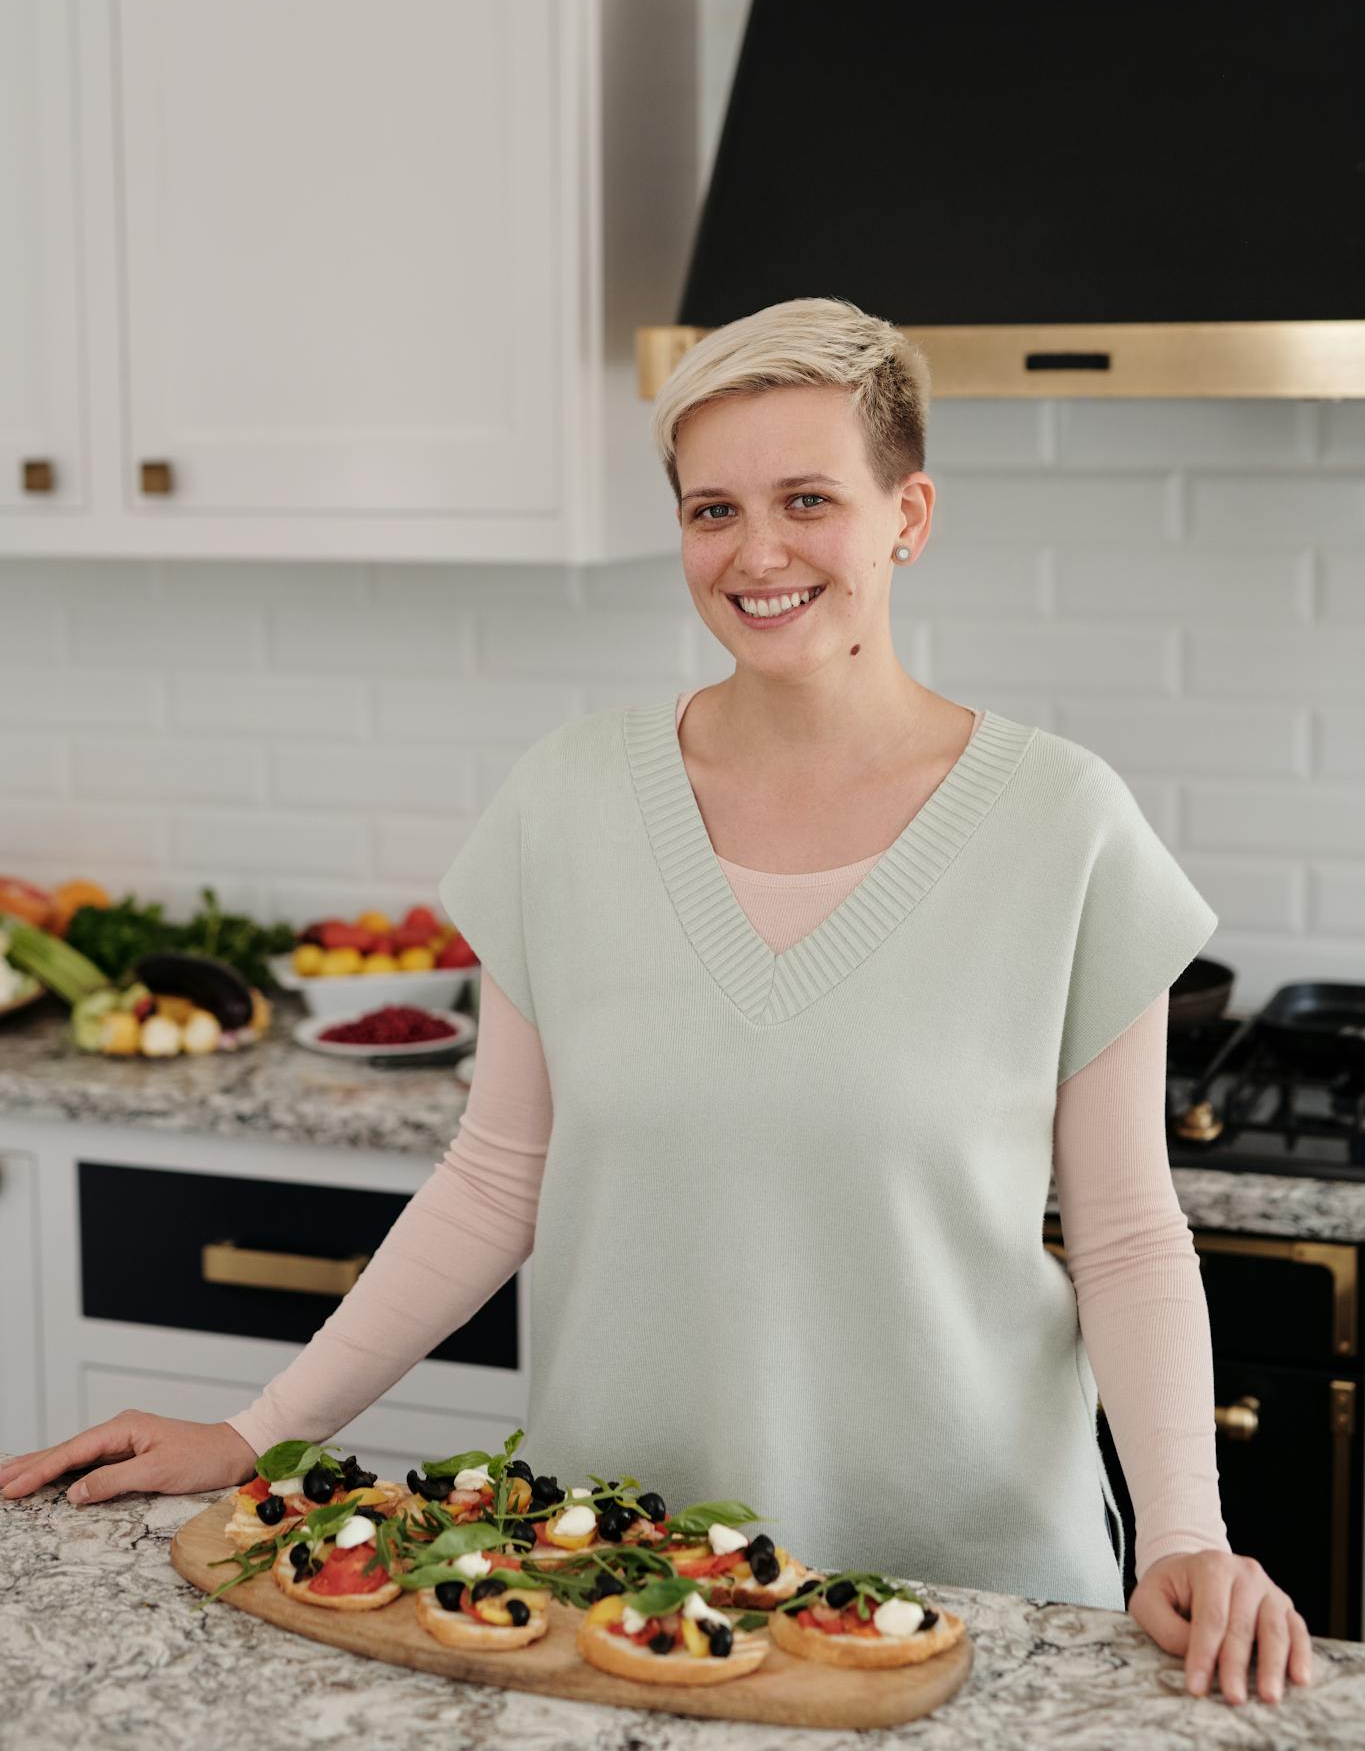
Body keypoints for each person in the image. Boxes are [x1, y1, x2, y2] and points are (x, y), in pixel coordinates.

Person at [2, 298, 1311, 1707]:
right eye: (712, 509)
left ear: (905, 515)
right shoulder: (566, 803)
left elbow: (1121, 1231)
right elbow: (496, 1179)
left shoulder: (1062, 824)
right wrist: (260, 1432)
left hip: (965, 1591)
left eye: (807, 499)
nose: (756, 553)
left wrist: (1187, 1530)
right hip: (611, 1583)